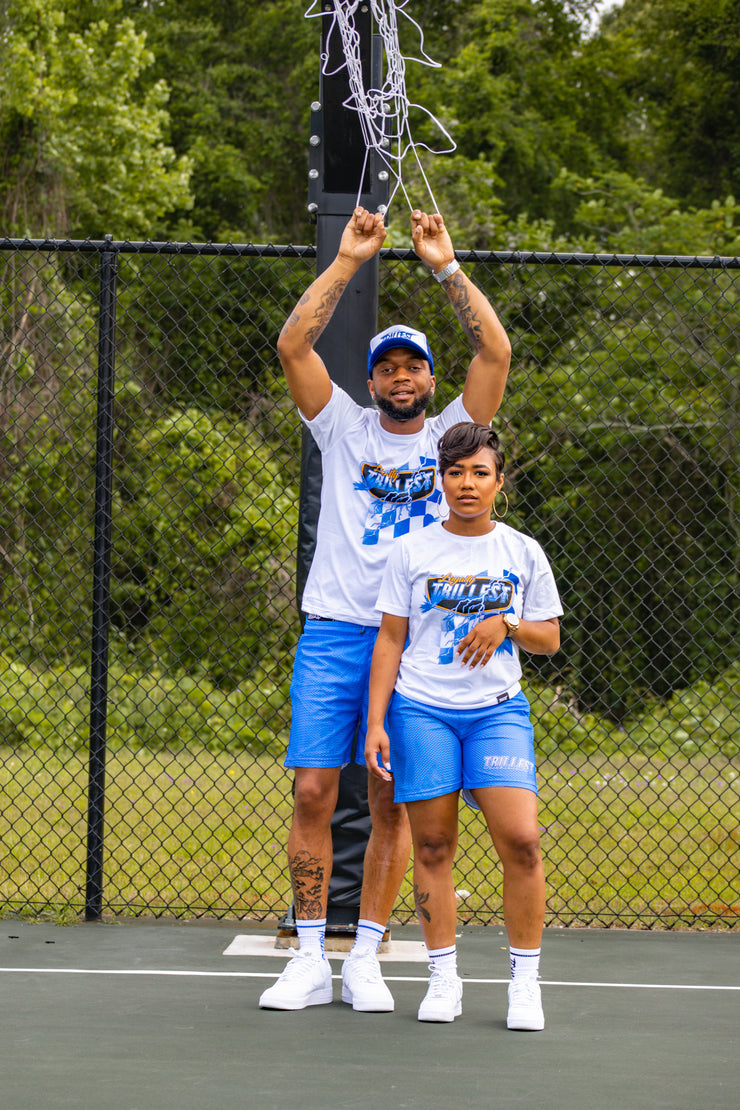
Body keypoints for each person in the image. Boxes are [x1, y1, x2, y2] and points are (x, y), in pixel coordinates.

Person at [259, 207, 512, 1012]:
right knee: (311, 792)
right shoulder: (341, 426)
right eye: (388, 367)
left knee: (393, 802)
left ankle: (366, 955)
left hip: (416, 643)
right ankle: (307, 956)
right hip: (336, 631)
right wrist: (346, 261)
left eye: (415, 366)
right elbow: (293, 345)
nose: (402, 377)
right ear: (370, 381)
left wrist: (444, 266)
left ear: (431, 381)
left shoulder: (450, 438)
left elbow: (496, 351)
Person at [365, 421, 562, 1028]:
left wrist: (505, 624)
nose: (467, 483)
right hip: (422, 710)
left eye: (480, 472)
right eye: (455, 473)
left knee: (522, 842)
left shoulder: (522, 551)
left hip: (497, 712)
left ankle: (524, 985)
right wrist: (376, 722)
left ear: (499, 482)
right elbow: (391, 638)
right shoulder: (413, 550)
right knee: (432, 845)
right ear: (442, 482)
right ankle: (443, 978)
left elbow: (549, 640)